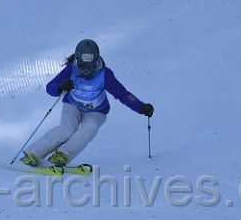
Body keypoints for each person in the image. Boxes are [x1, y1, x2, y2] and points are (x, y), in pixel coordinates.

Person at [20, 39, 154, 167]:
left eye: (90, 67)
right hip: (72, 106)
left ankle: (62, 155)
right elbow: (50, 87)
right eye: (82, 67)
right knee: (67, 129)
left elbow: (122, 94)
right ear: (77, 60)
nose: (86, 71)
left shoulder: (105, 74)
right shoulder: (70, 69)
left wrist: (141, 107)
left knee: (90, 127)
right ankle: (33, 154)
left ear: (96, 60)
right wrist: (60, 87)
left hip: (96, 111)